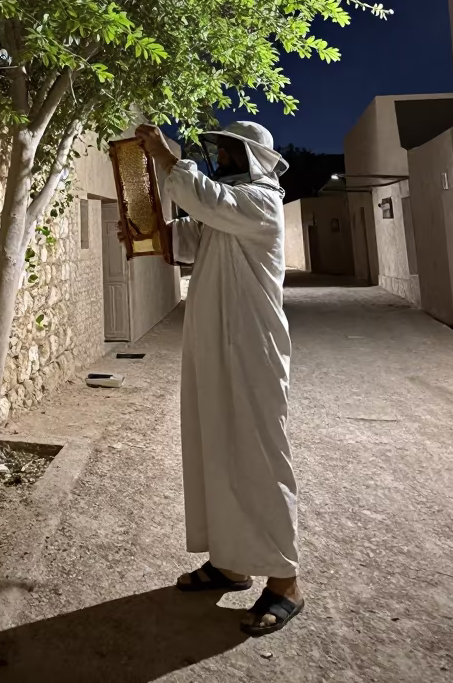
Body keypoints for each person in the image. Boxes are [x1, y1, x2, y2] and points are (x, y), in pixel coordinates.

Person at [132, 120, 303, 637]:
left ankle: (286, 583)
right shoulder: (225, 209)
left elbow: (205, 200)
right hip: (213, 350)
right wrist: (146, 233)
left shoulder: (260, 203)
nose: (221, 159)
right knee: (217, 450)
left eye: (229, 153)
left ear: (253, 158)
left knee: (259, 457)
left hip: (252, 350)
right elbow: (186, 236)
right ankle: (230, 563)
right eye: (220, 152)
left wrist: (167, 158)